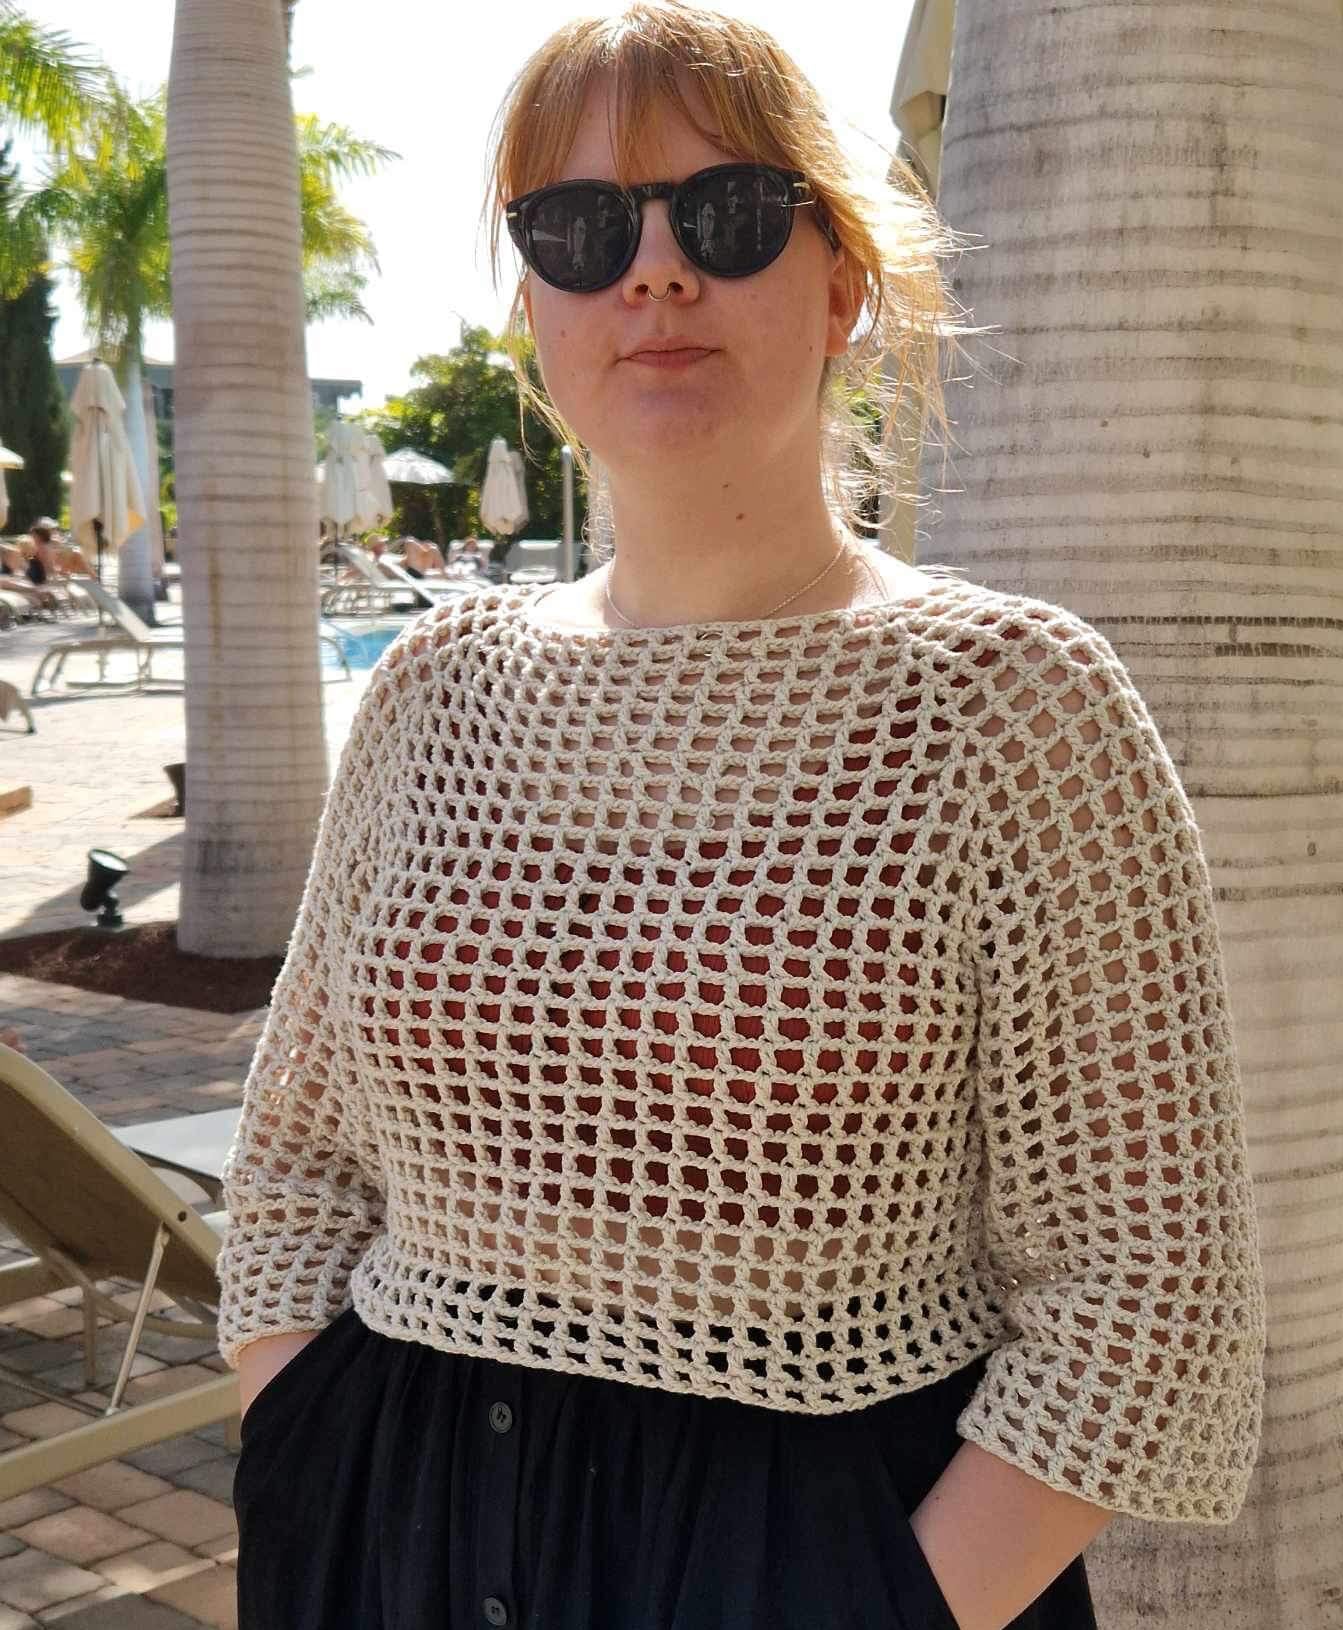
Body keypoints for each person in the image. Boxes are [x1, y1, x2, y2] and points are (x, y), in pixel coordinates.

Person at [220, 9, 1265, 1630]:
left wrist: (886, 1604)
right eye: (579, 231)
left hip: (814, 1561)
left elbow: (1150, 1291)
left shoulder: (1014, 707)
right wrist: (301, 1439)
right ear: (536, 307)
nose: (652, 273)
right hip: (390, 1532)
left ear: (842, 277)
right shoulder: (432, 690)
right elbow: (293, 1159)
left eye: (726, 215)